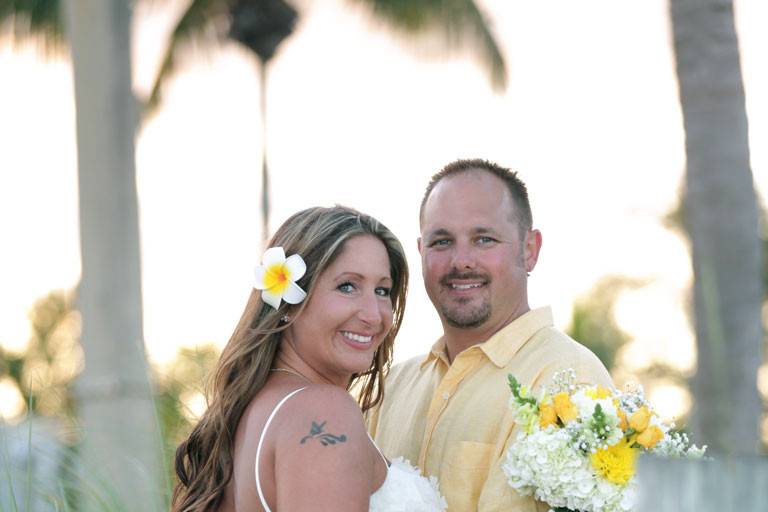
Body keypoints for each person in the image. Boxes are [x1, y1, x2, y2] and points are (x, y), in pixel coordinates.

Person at [367, 159, 614, 511]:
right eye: (442, 241)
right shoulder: (390, 387)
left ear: (529, 250)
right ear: (421, 252)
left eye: (484, 239)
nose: (461, 261)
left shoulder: (568, 379)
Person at [172, 206, 446, 512]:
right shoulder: (323, 412)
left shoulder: (255, 410)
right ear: (288, 302)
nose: (374, 315)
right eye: (347, 287)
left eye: (383, 290)